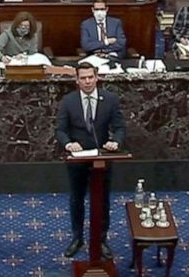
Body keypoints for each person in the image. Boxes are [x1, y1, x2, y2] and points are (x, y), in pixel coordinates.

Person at [55, 63, 126, 260]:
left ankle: (101, 239)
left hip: (101, 158)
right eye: (83, 78)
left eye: (90, 77)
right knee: (77, 199)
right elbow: (60, 130)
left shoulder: (110, 100)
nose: (87, 81)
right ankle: (77, 237)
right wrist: (68, 144)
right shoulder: (68, 101)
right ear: (77, 80)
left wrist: (115, 142)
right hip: (78, 159)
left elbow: (120, 127)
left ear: (97, 78)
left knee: (102, 200)